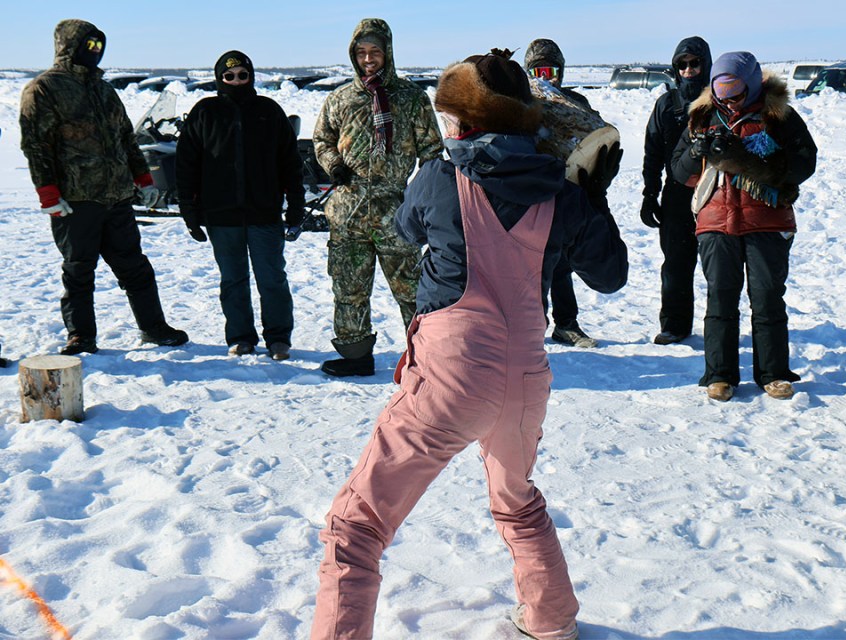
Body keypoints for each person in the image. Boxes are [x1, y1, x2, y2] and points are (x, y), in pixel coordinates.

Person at [310, 49, 628, 640]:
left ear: (468, 124)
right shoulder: (563, 196)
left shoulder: (440, 176)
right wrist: (591, 193)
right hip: (526, 382)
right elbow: (610, 276)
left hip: (450, 377)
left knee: (357, 525)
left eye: (451, 119)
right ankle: (551, 622)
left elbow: (406, 229)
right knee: (518, 501)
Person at [19, 19, 188, 355]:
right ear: (70, 45)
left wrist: (143, 179)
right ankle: (81, 335)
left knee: (134, 265)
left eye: (99, 46)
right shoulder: (44, 89)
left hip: (117, 195)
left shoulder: (104, 89)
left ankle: (153, 327)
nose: (94, 52)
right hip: (75, 199)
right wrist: (48, 193)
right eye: (88, 45)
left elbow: (126, 137)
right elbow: (36, 145)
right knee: (79, 269)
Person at [671, 51, 818, 402]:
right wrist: (696, 152)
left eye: (735, 90)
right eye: (721, 91)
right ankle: (719, 374)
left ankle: (773, 373)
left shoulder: (777, 116)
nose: (729, 99)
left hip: (765, 219)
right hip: (715, 221)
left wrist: (749, 159)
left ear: (751, 83)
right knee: (720, 297)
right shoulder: (702, 117)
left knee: (767, 297)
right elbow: (679, 172)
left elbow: (804, 163)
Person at [312, 18, 443, 376]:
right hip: (347, 211)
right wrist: (333, 165)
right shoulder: (340, 98)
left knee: (412, 290)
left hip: (396, 212)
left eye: (375, 51)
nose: (368, 58)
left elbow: (432, 152)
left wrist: (421, 197)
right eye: (361, 52)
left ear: (388, 52)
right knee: (349, 287)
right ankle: (356, 356)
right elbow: (321, 140)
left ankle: (429, 357)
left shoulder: (411, 98)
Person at [176, 50, 305, 361]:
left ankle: (278, 338)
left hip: (264, 213)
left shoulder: (268, 111)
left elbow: (290, 162)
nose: (236, 80)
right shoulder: (205, 112)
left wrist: (296, 207)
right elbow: (186, 165)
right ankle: (240, 337)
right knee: (232, 280)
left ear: (251, 76)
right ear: (219, 78)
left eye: (242, 75)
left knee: (272, 278)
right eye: (229, 76)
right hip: (222, 216)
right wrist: (189, 212)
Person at [524, 38, 604, 348]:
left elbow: (596, 136)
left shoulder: (576, 102)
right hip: (534, 191)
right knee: (536, 264)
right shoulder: (523, 105)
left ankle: (566, 323)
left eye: (552, 70)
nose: (546, 78)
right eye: (538, 71)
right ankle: (532, 329)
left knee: (563, 261)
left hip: (570, 189)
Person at [641, 36, 712, 346]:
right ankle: (674, 325)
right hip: (676, 194)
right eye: (681, 64)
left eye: (694, 63)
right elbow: (653, 151)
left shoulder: (718, 100)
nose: (687, 70)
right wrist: (649, 194)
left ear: (706, 65)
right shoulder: (667, 104)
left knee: (720, 266)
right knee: (676, 264)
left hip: (715, 194)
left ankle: (723, 324)